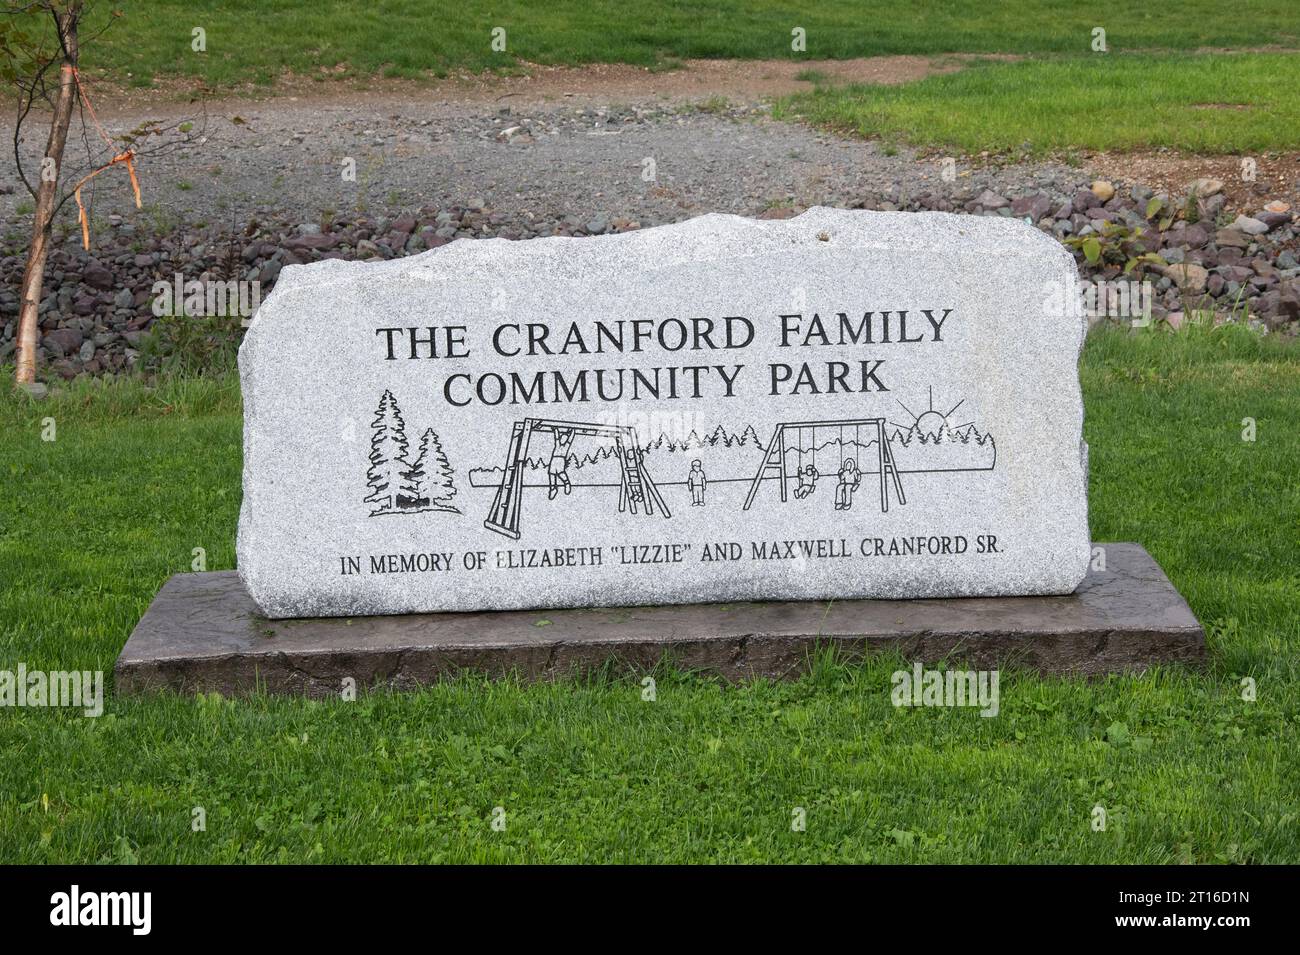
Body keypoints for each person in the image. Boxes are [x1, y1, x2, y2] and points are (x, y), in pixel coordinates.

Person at [547, 428, 574, 500]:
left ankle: (567, 483)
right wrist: (556, 430)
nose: (563, 439)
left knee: (560, 472)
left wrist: (573, 431)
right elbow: (556, 438)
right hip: (554, 460)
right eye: (562, 438)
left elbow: (570, 439)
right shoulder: (558, 445)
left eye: (565, 438)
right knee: (551, 473)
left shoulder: (566, 446)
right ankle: (553, 489)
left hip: (560, 460)